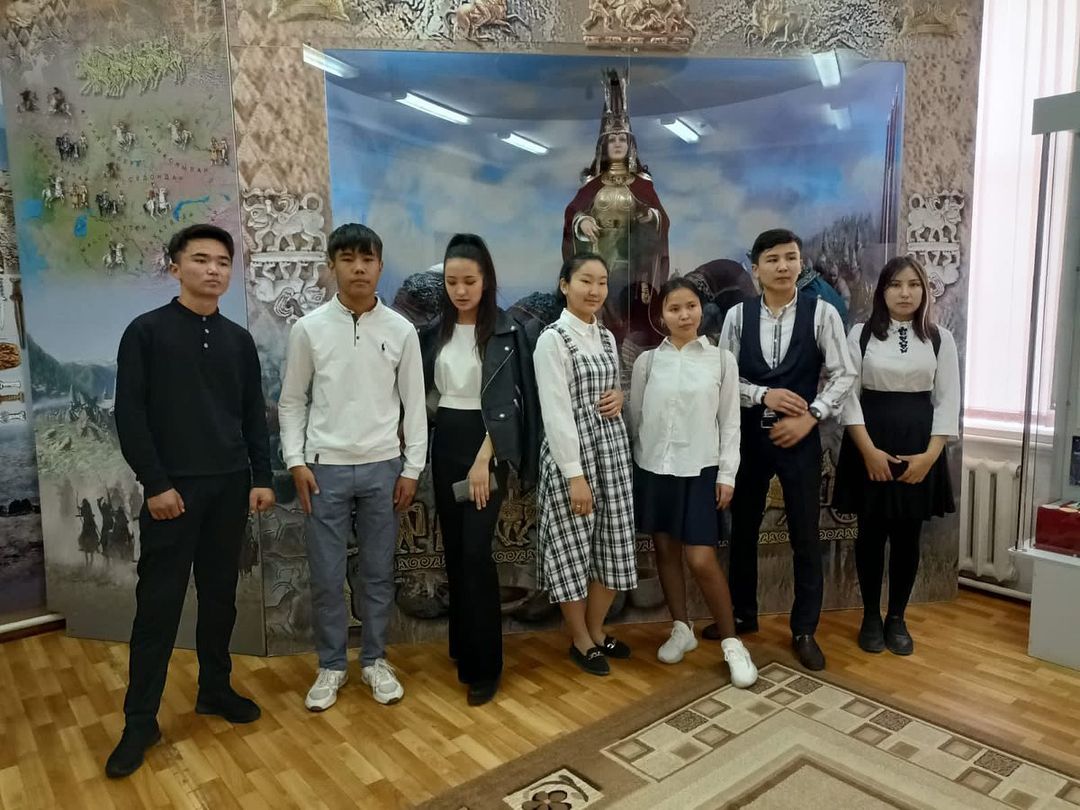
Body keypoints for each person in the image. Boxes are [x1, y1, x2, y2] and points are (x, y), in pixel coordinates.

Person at [107, 224, 275, 778]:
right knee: (158, 607)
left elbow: (252, 414)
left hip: (229, 488)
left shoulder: (237, 340)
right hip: (172, 493)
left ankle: (215, 689)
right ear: (175, 266)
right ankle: (139, 721)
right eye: (200, 259)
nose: (213, 270)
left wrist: (261, 476)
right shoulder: (146, 332)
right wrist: (155, 484)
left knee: (221, 597)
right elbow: (130, 415)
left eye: (222, 262)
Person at [278, 223, 427, 711]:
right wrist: (296, 461)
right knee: (326, 576)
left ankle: (375, 661)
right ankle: (331, 665)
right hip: (325, 471)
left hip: (384, 468)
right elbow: (292, 401)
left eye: (367, 259)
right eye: (347, 259)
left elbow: (414, 406)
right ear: (332, 266)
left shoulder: (401, 330)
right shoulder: (309, 329)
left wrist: (412, 469)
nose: (358, 268)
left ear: (380, 266)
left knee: (378, 573)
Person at [718, 229, 856, 671]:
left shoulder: (822, 314)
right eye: (773, 259)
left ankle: (804, 630)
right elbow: (723, 378)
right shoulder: (737, 316)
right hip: (749, 436)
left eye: (790, 257)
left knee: (805, 535)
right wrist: (763, 395)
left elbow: (844, 374)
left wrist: (811, 415)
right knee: (743, 529)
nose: (783, 266)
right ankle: (743, 614)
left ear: (800, 263)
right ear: (755, 267)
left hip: (801, 438)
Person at [418, 234, 540, 705]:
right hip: (446, 441)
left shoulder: (507, 333)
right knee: (454, 551)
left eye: (469, 280)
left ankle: (486, 666)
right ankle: (462, 646)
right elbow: (429, 395)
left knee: (475, 553)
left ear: (485, 279)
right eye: (452, 281)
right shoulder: (435, 332)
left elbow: (513, 403)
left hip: (485, 448)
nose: (460, 290)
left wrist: (484, 459)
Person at [627, 278, 757, 687]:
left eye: (691, 306)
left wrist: (727, 474)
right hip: (655, 468)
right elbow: (636, 418)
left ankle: (732, 643)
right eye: (674, 308)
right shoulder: (648, 363)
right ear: (661, 315)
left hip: (701, 470)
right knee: (665, 552)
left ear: (702, 309)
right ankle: (681, 628)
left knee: (701, 559)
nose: (684, 315)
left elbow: (730, 423)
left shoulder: (722, 361)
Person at [833, 256, 959, 656]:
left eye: (913, 284)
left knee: (907, 536)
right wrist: (868, 451)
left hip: (919, 447)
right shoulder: (860, 334)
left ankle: (897, 617)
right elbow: (848, 396)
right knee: (870, 534)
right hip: (869, 444)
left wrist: (930, 457)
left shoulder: (940, 338)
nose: (905, 293)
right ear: (882, 290)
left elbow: (948, 401)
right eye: (895, 285)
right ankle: (871, 616)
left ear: (924, 291)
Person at [533, 253, 636, 676]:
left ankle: (596, 630)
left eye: (602, 282)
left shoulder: (607, 337)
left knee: (615, 542)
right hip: (572, 456)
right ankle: (579, 639)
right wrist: (575, 476)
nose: (595, 290)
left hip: (612, 451)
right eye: (585, 281)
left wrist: (620, 396)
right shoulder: (553, 339)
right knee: (571, 549)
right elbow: (556, 412)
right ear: (565, 285)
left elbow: (612, 387)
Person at [562, 70, 669, 347]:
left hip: (630, 263)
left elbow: (661, 220)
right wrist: (582, 222)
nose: (618, 143)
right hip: (598, 257)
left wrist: (649, 216)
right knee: (598, 310)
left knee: (627, 313)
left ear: (630, 144)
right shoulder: (593, 184)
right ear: (604, 145)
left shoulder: (642, 183)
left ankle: (627, 352)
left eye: (623, 139)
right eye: (613, 139)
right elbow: (573, 214)